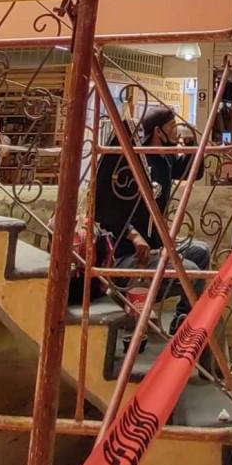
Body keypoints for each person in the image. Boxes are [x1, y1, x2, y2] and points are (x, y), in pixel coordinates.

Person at [94, 105, 210, 333]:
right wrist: (133, 235)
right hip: (127, 252)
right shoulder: (133, 164)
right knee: (192, 271)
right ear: (158, 131)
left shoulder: (162, 160)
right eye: (173, 128)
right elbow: (108, 210)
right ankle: (175, 324)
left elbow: (191, 172)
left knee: (201, 251)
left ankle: (183, 318)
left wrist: (193, 145)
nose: (176, 133)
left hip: (156, 244)